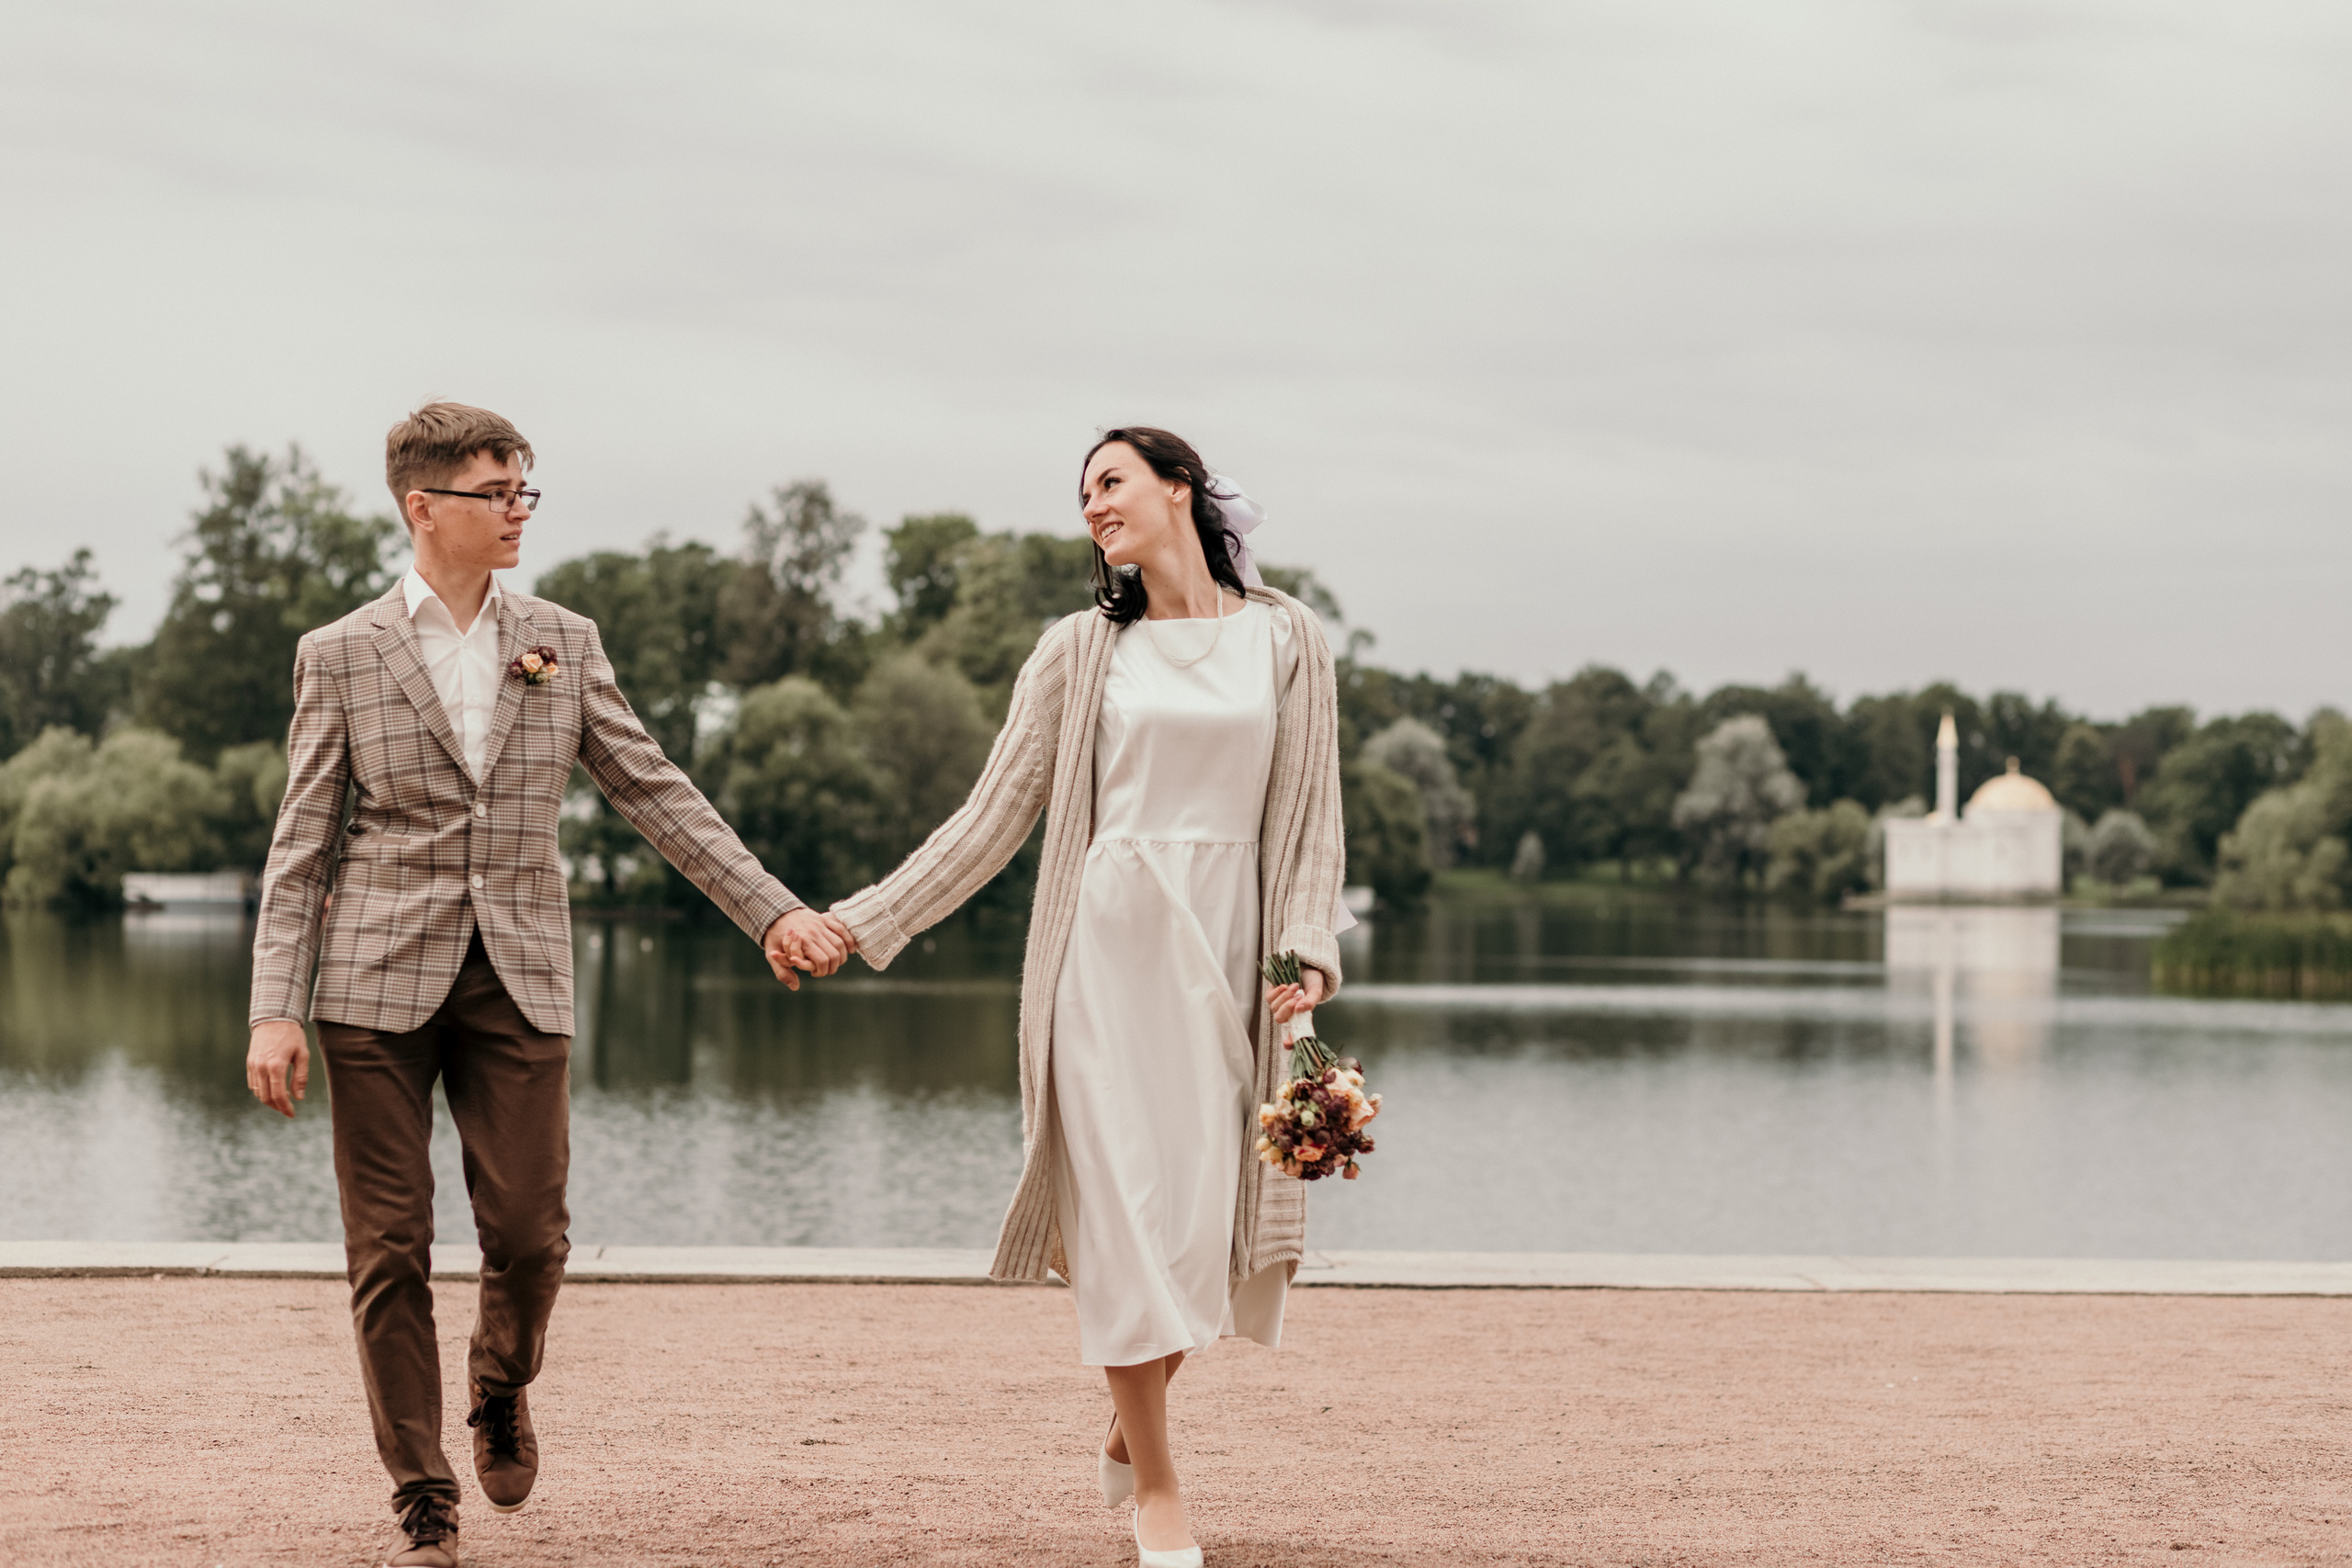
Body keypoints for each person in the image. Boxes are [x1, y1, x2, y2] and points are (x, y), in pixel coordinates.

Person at [242, 401, 854, 1568]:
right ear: (424, 508)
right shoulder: (340, 653)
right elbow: (302, 842)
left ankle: (499, 1379)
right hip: (370, 982)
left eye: (528, 488)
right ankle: (423, 1494)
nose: (520, 508)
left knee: (530, 1233)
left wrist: (769, 907)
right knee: (389, 1249)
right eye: (497, 491)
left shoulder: (560, 640)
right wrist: (277, 1004)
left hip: (519, 970)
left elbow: (653, 790)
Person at [829, 426, 1347, 1568]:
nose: (1093, 506)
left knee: (1205, 1225)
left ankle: (1132, 1411)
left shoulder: (1286, 637)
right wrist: (860, 922)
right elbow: (991, 818)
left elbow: (1310, 817)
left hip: (1226, 952)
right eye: (1082, 495)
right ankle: (1159, 1490)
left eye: (1110, 483)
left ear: (1180, 491)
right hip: (1103, 954)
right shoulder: (1078, 651)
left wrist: (1305, 946)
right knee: (1120, 1221)